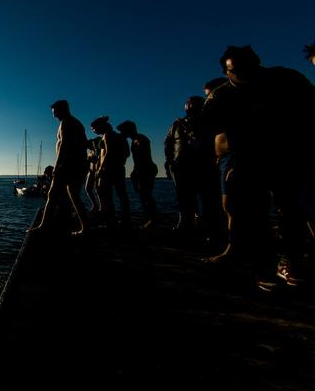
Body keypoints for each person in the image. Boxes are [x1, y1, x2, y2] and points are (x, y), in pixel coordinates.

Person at [203, 45, 315, 290]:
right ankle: (264, 268)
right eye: (237, 70)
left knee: (292, 211)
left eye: (251, 65)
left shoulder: (288, 79)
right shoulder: (220, 97)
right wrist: (227, 161)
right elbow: (208, 133)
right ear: (227, 73)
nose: (246, 73)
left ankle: (290, 262)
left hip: (288, 157)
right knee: (254, 215)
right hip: (246, 161)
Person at [164, 94, 223, 248]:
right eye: (188, 102)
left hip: (205, 167)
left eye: (194, 102)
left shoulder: (210, 123)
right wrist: (169, 163)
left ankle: (213, 233)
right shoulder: (176, 125)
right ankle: (186, 228)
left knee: (209, 202)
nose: (190, 105)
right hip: (181, 168)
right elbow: (168, 144)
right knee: (184, 201)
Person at [28, 100, 89, 236]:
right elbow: (84, 143)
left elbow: (64, 146)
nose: (54, 116)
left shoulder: (66, 123)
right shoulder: (76, 123)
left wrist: (57, 166)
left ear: (64, 109)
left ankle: (43, 226)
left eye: (55, 112)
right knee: (73, 196)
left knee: (53, 195)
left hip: (67, 165)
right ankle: (85, 227)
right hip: (76, 165)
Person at [91, 116, 131, 229]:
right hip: (119, 169)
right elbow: (127, 153)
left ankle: (111, 221)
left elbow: (107, 153)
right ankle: (125, 220)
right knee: (122, 195)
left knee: (106, 196)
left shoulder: (107, 135)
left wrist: (100, 169)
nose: (94, 131)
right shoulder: (119, 137)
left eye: (94, 128)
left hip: (108, 170)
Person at [117, 120, 158, 229]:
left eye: (123, 131)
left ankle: (153, 220)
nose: (121, 134)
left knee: (147, 195)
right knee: (143, 195)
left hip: (146, 170)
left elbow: (143, 159)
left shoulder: (140, 140)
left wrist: (138, 171)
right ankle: (150, 218)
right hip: (141, 171)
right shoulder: (134, 141)